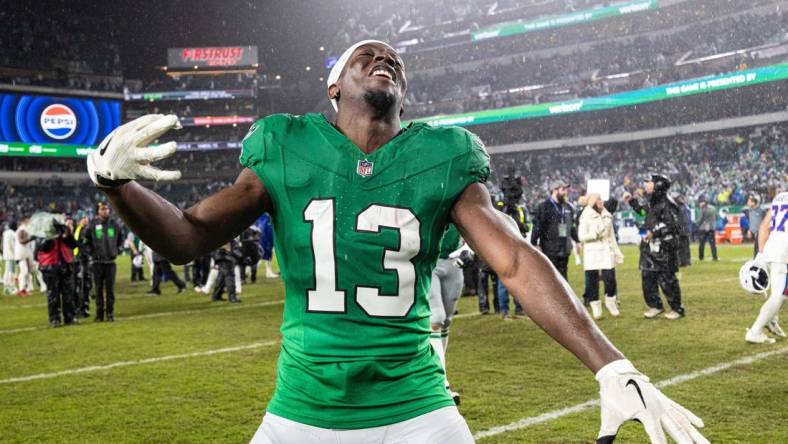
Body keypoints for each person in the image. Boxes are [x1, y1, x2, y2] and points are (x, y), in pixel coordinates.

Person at [87, 40, 707, 444]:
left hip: (418, 408)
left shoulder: (443, 153)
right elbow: (190, 237)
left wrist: (612, 365)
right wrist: (116, 187)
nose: (384, 60)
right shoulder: (284, 143)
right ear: (334, 88)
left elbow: (515, 260)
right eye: (365, 57)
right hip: (302, 410)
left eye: (393, 62)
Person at [627, 174, 686, 320]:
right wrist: (631, 201)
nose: (646, 184)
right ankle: (655, 306)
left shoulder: (668, 203)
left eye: (649, 182)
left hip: (665, 247)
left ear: (658, 185)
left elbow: (674, 226)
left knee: (667, 279)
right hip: (649, 247)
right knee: (647, 276)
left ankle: (677, 309)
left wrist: (655, 233)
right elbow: (642, 212)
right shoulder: (651, 202)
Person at [744, 190, 788, 344]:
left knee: (783, 292)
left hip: (773, 248)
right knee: (779, 294)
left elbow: (764, 227)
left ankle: (771, 319)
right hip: (783, 252)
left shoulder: (780, 197)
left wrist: (761, 253)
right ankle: (755, 331)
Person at [428, 224, 465, 404]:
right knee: (436, 318)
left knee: (446, 322)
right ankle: (442, 383)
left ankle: (437, 375)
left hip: (454, 262)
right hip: (430, 262)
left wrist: (469, 249)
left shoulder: (457, 197)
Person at [578, 194, 623, 320]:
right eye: (598, 199)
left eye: (601, 199)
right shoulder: (586, 216)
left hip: (606, 252)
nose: (601, 201)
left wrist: (617, 252)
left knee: (610, 279)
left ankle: (611, 303)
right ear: (592, 202)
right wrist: (594, 234)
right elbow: (581, 236)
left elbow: (612, 236)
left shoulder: (607, 215)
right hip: (592, 253)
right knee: (592, 281)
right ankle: (596, 307)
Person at [81, 203, 124, 322]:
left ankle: (110, 313)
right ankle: (99, 315)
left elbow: (121, 237)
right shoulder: (93, 225)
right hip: (97, 262)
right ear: (98, 211)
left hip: (110, 262)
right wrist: (91, 252)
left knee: (110, 290)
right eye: (102, 209)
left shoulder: (114, 224)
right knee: (98, 289)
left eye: (107, 209)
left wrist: (118, 249)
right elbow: (86, 240)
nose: (105, 211)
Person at [35, 216, 79, 327]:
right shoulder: (44, 234)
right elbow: (42, 249)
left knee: (68, 294)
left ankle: (70, 317)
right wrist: (50, 237)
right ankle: (55, 319)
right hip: (50, 267)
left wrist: (67, 235)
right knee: (53, 295)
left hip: (65, 265)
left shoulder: (65, 233)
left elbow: (74, 245)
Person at [530, 180, 578, 279]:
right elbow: (538, 226)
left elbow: (571, 225)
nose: (566, 192)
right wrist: (534, 243)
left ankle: (562, 295)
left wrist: (577, 240)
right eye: (563, 189)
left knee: (563, 278)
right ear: (555, 190)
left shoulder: (567, 206)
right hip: (549, 249)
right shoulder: (544, 207)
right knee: (551, 277)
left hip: (564, 249)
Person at [72, 214, 92, 318]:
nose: (86, 220)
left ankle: (83, 308)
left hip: (83, 259)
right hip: (80, 259)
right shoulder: (79, 229)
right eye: (83, 218)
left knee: (85, 285)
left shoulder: (84, 229)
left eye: (86, 218)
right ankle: (80, 308)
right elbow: (77, 244)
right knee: (80, 285)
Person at [2, 221, 17, 294]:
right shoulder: (13, 234)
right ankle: (10, 287)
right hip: (11, 255)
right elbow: (13, 244)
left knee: (7, 271)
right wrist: (15, 253)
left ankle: (7, 287)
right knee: (11, 271)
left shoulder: (5, 233)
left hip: (6, 254)